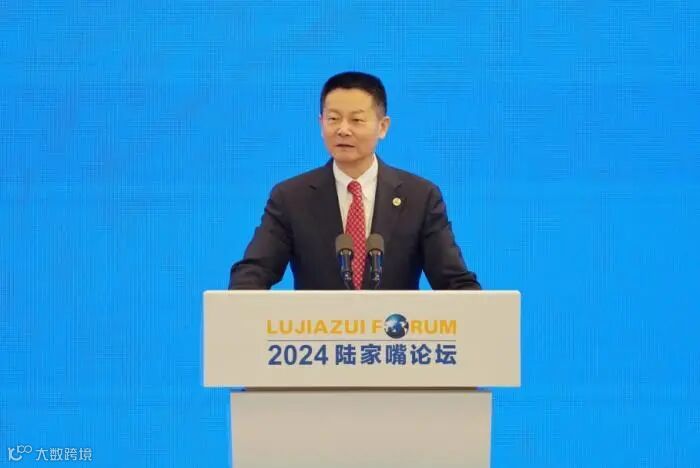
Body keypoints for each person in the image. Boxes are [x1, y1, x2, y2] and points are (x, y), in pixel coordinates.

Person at [229, 71, 480, 290]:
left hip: (394, 328)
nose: (343, 130)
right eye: (333, 119)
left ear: (382, 127)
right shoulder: (291, 197)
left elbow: (453, 281)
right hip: (318, 330)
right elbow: (253, 273)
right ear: (320, 123)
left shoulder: (420, 196)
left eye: (357, 120)